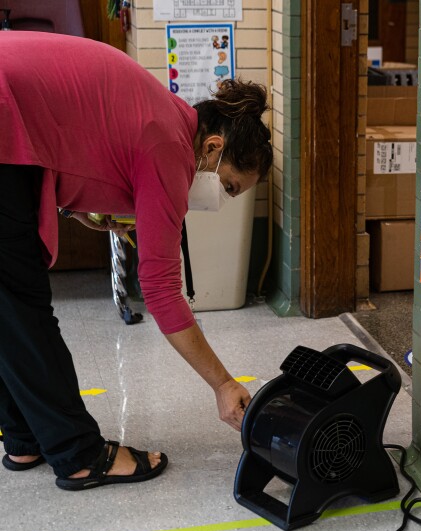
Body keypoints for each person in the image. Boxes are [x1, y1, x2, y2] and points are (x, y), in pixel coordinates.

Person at [0, 32, 272, 490]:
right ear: (212, 147)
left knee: (8, 305)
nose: (219, 200)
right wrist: (223, 383)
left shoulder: (162, 115)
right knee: (22, 303)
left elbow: (77, 136)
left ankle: (26, 436)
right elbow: (162, 289)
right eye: (228, 186)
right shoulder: (169, 145)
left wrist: (84, 209)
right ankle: (79, 454)